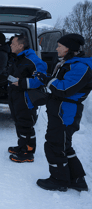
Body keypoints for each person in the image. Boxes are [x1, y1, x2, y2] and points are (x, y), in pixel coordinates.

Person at [34, 34, 91, 192]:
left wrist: (47, 80)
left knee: (54, 145)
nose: (56, 48)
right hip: (61, 109)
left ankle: (59, 180)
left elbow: (64, 89)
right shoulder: (69, 63)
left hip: (66, 111)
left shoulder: (80, 66)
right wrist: (46, 78)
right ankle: (77, 179)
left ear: (70, 48)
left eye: (60, 45)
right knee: (64, 145)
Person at [7, 34, 47, 163]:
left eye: (13, 43)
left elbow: (41, 79)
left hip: (26, 98)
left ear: (21, 45)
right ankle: (22, 146)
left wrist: (22, 82)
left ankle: (28, 152)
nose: (11, 45)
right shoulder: (17, 58)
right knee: (18, 122)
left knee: (26, 124)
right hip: (15, 95)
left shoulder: (33, 60)